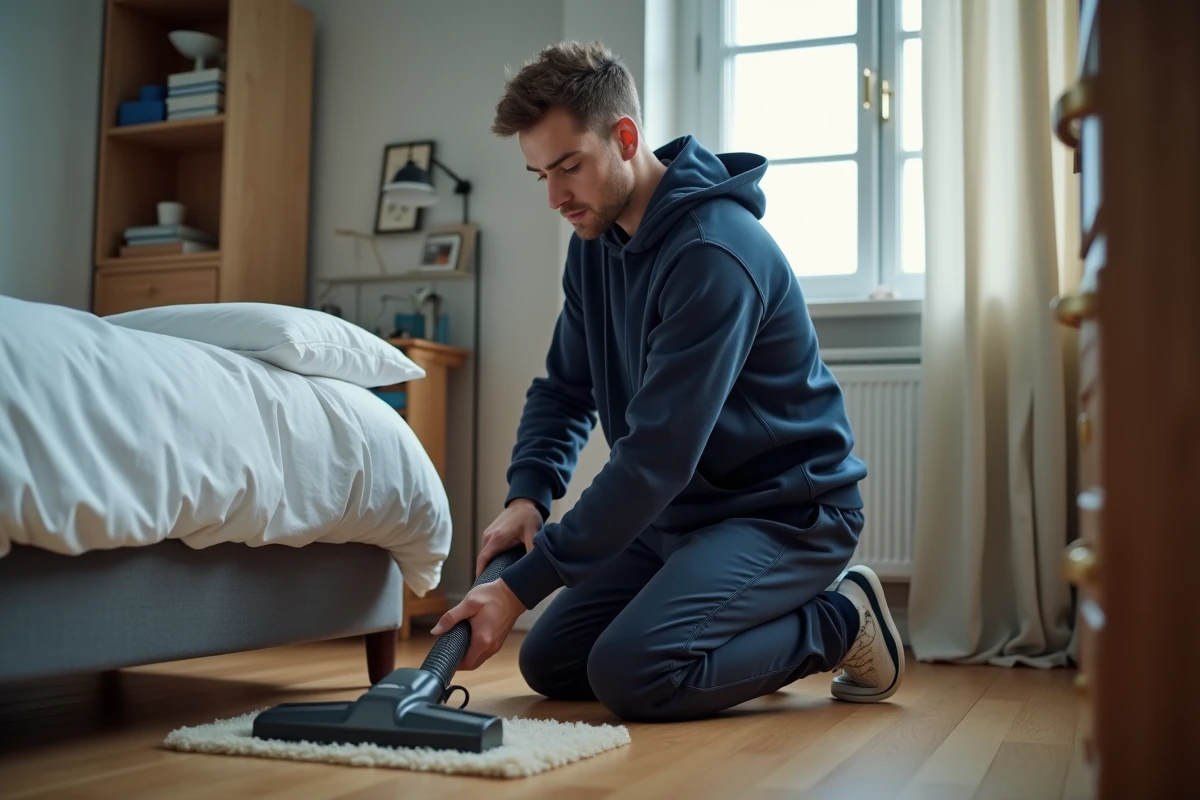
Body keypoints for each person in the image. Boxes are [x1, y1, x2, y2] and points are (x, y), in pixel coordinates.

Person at [430, 40, 904, 722]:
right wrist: (528, 494)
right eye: (541, 176)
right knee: (551, 661)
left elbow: (655, 459)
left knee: (633, 674)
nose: (557, 197)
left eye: (569, 167)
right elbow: (566, 389)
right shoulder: (594, 247)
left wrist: (518, 589)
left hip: (784, 513)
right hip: (678, 517)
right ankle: (731, 621)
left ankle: (838, 620)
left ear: (625, 137)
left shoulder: (713, 253)